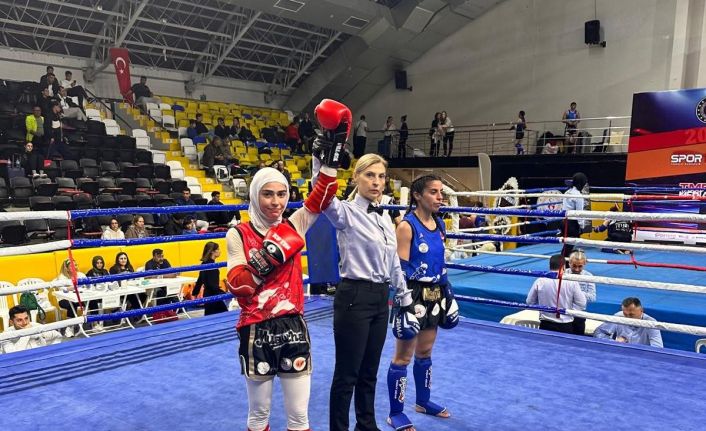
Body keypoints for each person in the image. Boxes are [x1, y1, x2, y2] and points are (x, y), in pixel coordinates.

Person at [223, 98, 345, 431]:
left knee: (299, 417)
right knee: (258, 415)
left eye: (281, 194)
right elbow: (240, 287)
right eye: (268, 194)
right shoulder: (238, 233)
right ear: (255, 195)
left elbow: (321, 196)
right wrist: (271, 254)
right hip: (255, 327)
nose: (276, 202)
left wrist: (330, 158)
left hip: (292, 325)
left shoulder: (295, 224)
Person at [321, 153, 413, 431]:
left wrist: (405, 297)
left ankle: (366, 425)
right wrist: (323, 161)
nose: (376, 182)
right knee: (347, 374)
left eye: (381, 176)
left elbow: (393, 260)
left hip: (380, 297)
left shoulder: (384, 216)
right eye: (370, 175)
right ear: (356, 178)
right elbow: (322, 194)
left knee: (369, 372)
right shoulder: (344, 212)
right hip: (354, 296)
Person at [386, 174, 459, 430]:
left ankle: (423, 402)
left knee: (425, 352)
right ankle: (395, 413)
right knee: (403, 356)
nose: (440, 197)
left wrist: (447, 291)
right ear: (418, 195)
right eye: (433, 192)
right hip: (412, 293)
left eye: (441, 192)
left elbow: (440, 262)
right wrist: (403, 302)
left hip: (436, 293)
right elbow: (399, 269)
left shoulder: (439, 224)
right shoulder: (407, 226)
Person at [526, 254, 586, 333]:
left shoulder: (540, 281)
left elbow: (529, 302)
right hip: (565, 324)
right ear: (564, 266)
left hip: (545, 324)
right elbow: (582, 304)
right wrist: (568, 312)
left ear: (549, 266)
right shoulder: (572, 282)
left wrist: (544, 308)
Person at [595, 297, 664, 347]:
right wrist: (614, 342)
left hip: (641, 356)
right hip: (620, 354)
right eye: (625, 314)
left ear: (641, 310)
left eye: (631, 315)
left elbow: (657, 347)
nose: (627, 318)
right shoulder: (619, 316)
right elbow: (598, 332)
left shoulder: (651, 323)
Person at [53, 258, 87, 338]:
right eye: (72, 266)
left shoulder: (81, 275)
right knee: (72, 304)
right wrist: (73, 287)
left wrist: (73, 287)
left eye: (75, 265)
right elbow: (62, 289)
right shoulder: (62, 277)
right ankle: (69, 328)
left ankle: (96, 324)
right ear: (66, 268)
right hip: (64, 299)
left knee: (92, 301)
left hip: (79, 297)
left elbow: (86, 285)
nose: (74, 267)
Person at [192, 242, 228, 316]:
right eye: (218, 249)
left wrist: (195, 292)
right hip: (213, 295)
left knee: (211, 317)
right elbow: (212, 285)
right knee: (224, 315)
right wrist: (224, 294)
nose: (220, 251)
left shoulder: (204, 264)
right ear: (212, 251)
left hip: (208, 295)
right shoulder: (212, 266)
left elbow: (200, 280)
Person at [567, 250, 596, 335]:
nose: (577, 269)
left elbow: (592, 298)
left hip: (579, 314)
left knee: (577, 339)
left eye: (580, 266)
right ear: (569, 263)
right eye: (574, 266)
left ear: (584, 264)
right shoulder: (563, 274)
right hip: (564, 312)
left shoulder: (589, 276)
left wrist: (576, 293)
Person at [561, 172, 588, 257]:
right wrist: (582, 226)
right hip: (572, 224)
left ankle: (567, 262)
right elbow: (579, 213)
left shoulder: (567, 192)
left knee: (568, 245)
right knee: (569, 246)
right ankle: (564, 262)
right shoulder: (578, 196)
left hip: (564, 221)